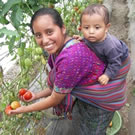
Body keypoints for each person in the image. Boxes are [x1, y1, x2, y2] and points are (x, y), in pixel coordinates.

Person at [8, 7, 130, 135]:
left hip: (100, 105)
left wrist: (23, 109)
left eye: (49, 32)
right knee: (82, 124)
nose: (44, 40)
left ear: (63, 28)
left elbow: (55, 98)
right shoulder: (65, 46)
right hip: (88, 98)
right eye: (38, 35)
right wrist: (35, 96)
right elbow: (61, 86)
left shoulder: (70, 59)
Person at [74, 4, 131, 85]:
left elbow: (115, 63)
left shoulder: (111, 46)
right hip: (107, 57)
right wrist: (82, 39)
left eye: (97, 27)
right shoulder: (91, 37)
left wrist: (107, 75)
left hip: (120, 60)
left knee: (113, 81)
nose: (91, 32)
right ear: (81, 28)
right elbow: (88, 41)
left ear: (106, 28)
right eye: (86, 27)